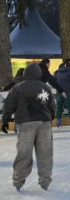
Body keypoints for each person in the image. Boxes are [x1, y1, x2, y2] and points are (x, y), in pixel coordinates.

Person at [1, 62, 55, 191]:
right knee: (45, 153)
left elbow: (9, 105)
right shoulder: (45, 87)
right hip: (44, 124)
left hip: (25, 123)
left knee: (24, 152)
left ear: (25, 74)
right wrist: (50, 118)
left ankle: (18, 180)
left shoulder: (18, 88)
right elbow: (52, 106)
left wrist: (5, 120)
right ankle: (45, 181)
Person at [55, 59, 70, 127]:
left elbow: (54, 80)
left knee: (59, 107)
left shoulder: (58, 72)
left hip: (59, 92)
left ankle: (58, 121)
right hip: (68, 91)